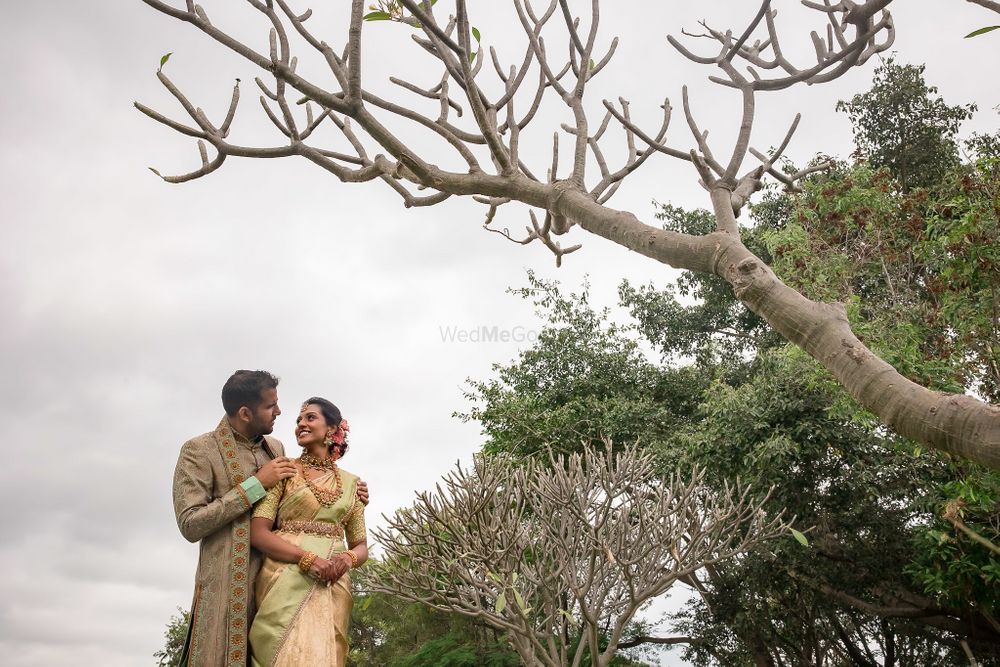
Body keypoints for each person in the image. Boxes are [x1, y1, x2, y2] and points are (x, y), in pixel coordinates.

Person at [172, 371, 369, 667]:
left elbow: (301, 497)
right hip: (230, 579)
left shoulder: (275, 449)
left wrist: (352, 494)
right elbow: (190, 524)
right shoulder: (199, 450)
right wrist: (255, 485)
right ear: (245, 413)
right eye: (271, 406)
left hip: (283, 576)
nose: (280, 411)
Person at [248, 397, 368, 667]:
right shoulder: (283, 471)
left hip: (332, 583)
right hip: (283, 577)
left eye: (310, 418)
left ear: (332, 429)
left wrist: (346, 559)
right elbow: (259, 533)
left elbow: (361, 546)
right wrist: (308, 559)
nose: (301, 423)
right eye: (298, 420)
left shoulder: (352, 484)